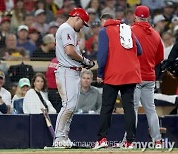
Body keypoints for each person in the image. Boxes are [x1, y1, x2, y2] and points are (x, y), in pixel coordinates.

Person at [93, 13, 142, 149]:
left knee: (107, 107)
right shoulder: (127, 28)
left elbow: (102, 55)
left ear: (104, 21)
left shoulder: (105, 31)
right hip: (131, 73)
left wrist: (100, 73)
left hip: (112, 74)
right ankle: (130, 142)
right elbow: (140, 50)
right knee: (129, 107)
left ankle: (102, 139)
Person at [121, 5, 164, 148]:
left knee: (132, 109)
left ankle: (129, 141)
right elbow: (160, 58)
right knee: (151, 110)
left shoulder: (130, 31)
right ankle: (157, 141)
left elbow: (124, 53)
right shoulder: (156, 34)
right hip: (150, 76)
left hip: (134, 76)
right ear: (148, 17)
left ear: (135, 16)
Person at [53, 8, 95, 148]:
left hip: (72, 71)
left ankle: (64, 137)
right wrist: (84, 61)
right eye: (82, 23)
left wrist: (82, 62)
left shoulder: (69, 30)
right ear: (77, 18)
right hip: (66, 71)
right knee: (68, 106)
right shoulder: (66, 28)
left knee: (72, 107)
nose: (82, 26)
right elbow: (70, 51)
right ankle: (59, 137)